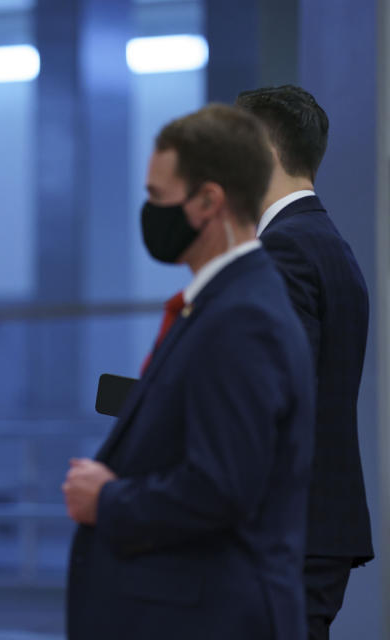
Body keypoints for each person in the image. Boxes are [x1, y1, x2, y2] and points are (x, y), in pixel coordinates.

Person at [61, 104, 315, 639]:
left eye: (157, 196)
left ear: (208, 201)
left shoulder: (242, 318)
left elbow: (223, 487)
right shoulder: (222, 304)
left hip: (211, 616)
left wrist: (107, 499)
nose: (149, 210)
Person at [237, 85, 373, 639]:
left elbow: (272, 396)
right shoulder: (330, 244)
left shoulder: (284, 249)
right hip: (316, 529)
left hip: (285, 533)